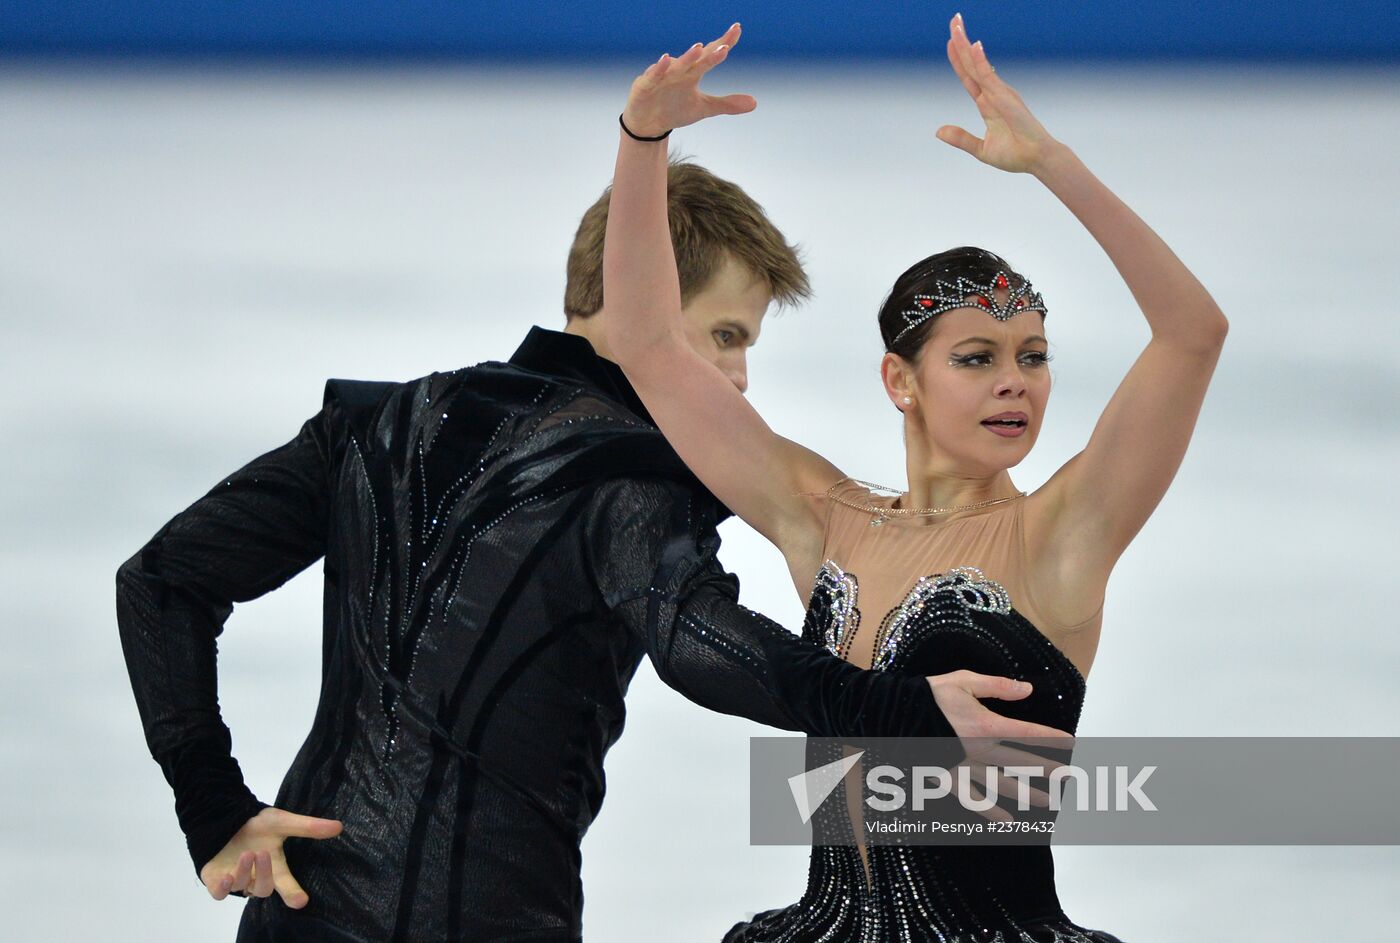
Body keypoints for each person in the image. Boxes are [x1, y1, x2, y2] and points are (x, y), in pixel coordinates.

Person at [114, 153, 1070, 938]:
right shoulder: (633, 473)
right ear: (642, 304)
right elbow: (701, 641)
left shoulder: (383, 421)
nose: (738, 379)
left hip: (298, 916)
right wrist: (899, 706)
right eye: (725, 335)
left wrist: (213, 804)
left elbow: (160, 583)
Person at [602, 15, 1227, 942]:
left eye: (1034, 356)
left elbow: (1192, 334)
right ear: (902, 380)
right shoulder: (824, 520)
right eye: (977, 357)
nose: (1015, 380)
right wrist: (643, 141)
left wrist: (1051, 162)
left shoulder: (1063, 533)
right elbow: (650, 345)